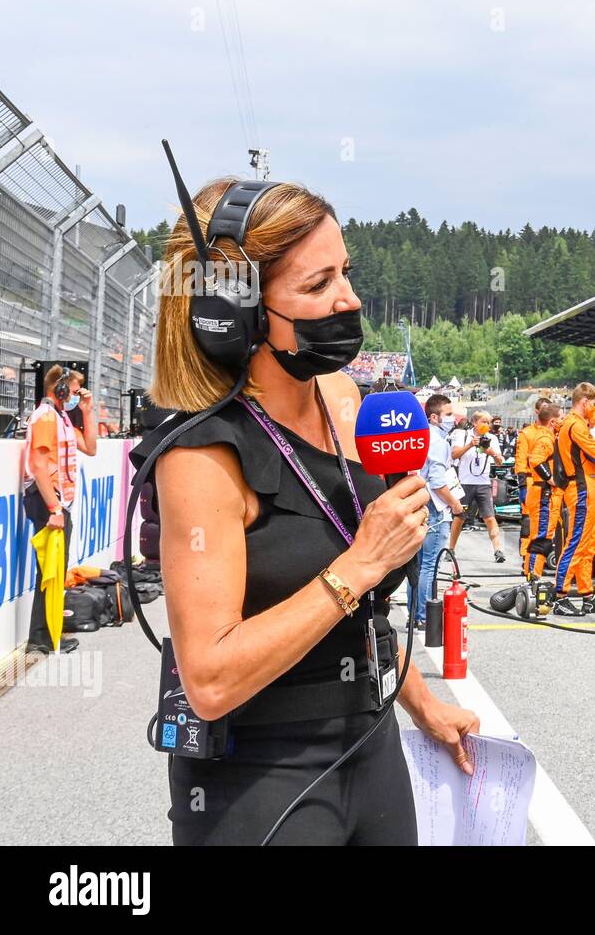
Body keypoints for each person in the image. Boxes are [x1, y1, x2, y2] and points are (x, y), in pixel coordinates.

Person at [134, 178, 478, 844]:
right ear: (235, 311)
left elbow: (362, 619)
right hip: (257, 777)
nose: (349, 299)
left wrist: (425, 704)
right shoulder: (202, 452)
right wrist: (359, 564)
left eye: (345, 272)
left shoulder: (344, 397)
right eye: (318, 285)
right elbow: (207, 678)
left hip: (370, 745)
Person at [22, 366, 97, 655]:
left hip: (58, 502)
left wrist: (88, 411)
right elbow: (39, 465)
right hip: (48, 502)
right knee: (49, 572)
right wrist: (53, 507)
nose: (78, 396)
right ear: (61, 389)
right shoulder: (44, 417)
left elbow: (90, 447)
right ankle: (40, 639)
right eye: (76, 391)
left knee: (55, 571)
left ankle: (50, 633)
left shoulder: (62, 417)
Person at [553, 382, 595, 615]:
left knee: (588, 546)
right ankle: (560, 596)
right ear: (584, 402)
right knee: (577, 543)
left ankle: (587, 595)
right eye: (593, 404)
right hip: (583, 489)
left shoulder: (574, 424)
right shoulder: (575, 426)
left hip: (588, 488)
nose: (594, 408)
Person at [410, 394, 463, 629]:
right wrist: (455, 504)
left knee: (420, 564)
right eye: (448, 414)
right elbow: (437, 482)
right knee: (430, 564)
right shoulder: (438, 441)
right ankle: (423, 615)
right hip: (435, 505)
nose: (453, 418)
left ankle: (416, 613)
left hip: (421, 502)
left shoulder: (425, 437)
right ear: (434, 417)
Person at [448, 410, 506, 562]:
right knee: (459, 517)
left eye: (488, 422)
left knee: (489, 517)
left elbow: (501, 461)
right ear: (474, 423)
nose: (486, 425)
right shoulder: (462, 434)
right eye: (483, 422)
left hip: (483, 483)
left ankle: (498, 550)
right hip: (465, 483)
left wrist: (491, 452)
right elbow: (454, 455)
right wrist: (469, 445)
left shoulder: (492, 438)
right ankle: (451, 549)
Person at [521, 403, 563, 579]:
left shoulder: (548, 436)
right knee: (542, 538)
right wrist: (550, 478)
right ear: (553, 421)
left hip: (543, 494)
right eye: (561, 418)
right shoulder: (546, 439)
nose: (564, 420)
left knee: (541, 536)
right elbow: (536, 459)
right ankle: (533, 577)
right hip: (543, 495)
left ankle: (531, 575)